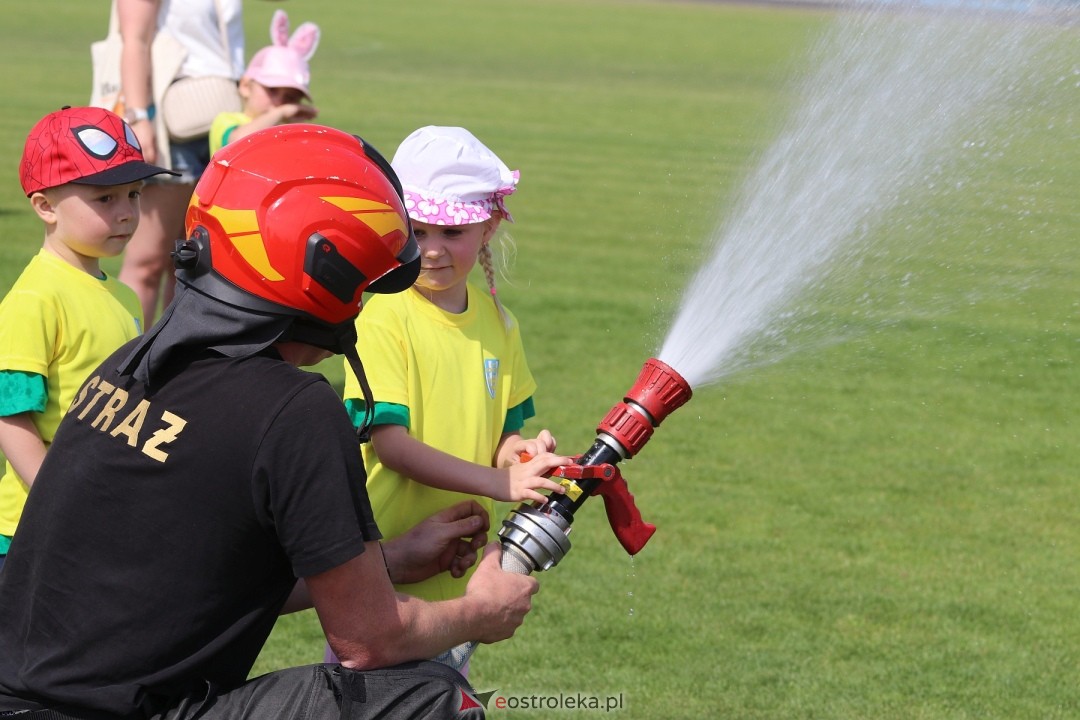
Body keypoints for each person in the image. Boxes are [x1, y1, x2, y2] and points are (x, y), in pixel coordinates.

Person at [0, 124, 537, 718]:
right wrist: (481, 612)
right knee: (431, 699)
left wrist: (390, 560)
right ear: (326, 278)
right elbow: (369, 640)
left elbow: (191, 580)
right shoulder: (295, 409)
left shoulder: (134, 362)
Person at [341, 125, 568, 608]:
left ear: (488, 228)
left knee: (446, 682)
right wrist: (499, 482)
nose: (432, 249)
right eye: (417, 231)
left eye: (452, 231)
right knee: (373, 681)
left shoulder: (500, 323)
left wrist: (519, 457)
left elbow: (501, 437)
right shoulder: (383, 315)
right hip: (389, 563)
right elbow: (393, 446)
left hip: (462, 560)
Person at [0, 106, 173, 571]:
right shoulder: (35, 298)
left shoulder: (122, 296)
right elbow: (10, 417)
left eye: (134, 195)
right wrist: (56, 498)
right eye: (105, 199)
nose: (126, 214)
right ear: (45, 206)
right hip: (32, 532)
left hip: (102, 511)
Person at [116, 0, 247, 326]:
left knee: (192, 263)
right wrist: (138, 116)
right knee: (147, 261)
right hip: (170, 122)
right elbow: (134, 39)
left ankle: (173, 369)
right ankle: (124, 366)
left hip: (222, 121)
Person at [209, 9, 320, 156]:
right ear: (245, 86)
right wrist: (280, 112)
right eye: (272, 90)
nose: (280, 101)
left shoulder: (289, 134)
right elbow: (238, 141)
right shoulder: (227, 121)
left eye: (291, 98)